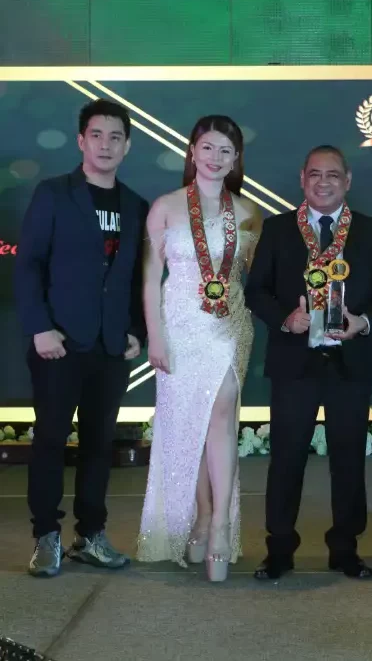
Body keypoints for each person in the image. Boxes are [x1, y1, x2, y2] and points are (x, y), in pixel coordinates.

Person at [245, 145, 372, 580]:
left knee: (348, 459)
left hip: (352, 362)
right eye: (315, 174)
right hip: (295, 361)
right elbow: (256, 291)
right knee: (286, 458)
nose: (323, 182)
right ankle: (279, 549)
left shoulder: (371, 230)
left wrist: (362, 322)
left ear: (347, 181)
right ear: (302, 179)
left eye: (332, 175)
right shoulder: (277, 229)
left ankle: (345, 548)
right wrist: (285, 318)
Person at [14, 99, 147, 577]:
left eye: (115, 137)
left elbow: (137, 278)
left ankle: (91, 535)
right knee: (50, 440)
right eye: (96, 135)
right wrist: (39, 327)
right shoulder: (54, 193)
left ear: (127, 146)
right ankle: (46, 537)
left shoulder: (135, 205)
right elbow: (28, 264)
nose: (105, 145)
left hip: (110, 348)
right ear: (80, 141)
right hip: (59, 343)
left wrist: (136, 331)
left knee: (98, 445)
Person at [137, 115, 262, 582]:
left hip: (229, 328)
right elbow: (150, 279)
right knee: (188, 427)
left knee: (222, 417)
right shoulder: (165, 207)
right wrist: (155, 336)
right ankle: (203, 517)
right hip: (177, 328)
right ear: (192, 151)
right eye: (207, 147)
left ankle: (222, 529)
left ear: (236, 159)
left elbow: (258, 279)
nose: (215, 157)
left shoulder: (249, 212)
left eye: (225, 150)